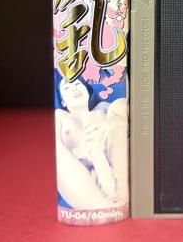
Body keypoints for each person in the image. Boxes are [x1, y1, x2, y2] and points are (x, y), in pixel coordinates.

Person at [54, 70, 128, 209]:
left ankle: (121, 194)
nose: (74, 88)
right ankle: (102, 206)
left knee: (119, 109)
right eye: (67, 87)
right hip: (80, 174)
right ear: (63, 101)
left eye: (77, 84)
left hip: (111, 164)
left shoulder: (104, 108)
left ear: (87, 90)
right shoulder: (61, 117)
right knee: (56, 149)